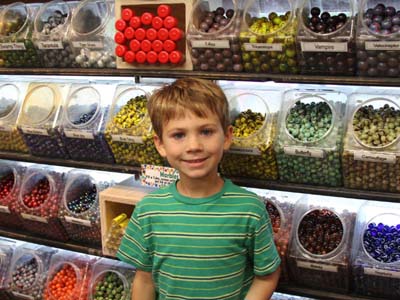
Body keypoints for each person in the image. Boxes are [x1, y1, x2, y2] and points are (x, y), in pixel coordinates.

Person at [117, 78, 281, 300]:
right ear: (160, 144)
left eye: (206, 131)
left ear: (227, 137)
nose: (194, 146)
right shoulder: (148, 211)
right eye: (178, 135)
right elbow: (145, 279)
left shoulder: (249, 209)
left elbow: (267, 274)